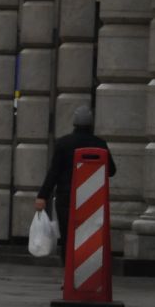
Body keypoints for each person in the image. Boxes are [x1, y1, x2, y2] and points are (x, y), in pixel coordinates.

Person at [36, 104, 115, 254]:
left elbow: (54, 172)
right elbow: (111, 171)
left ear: (74, 123)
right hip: (91, 198)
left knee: (67, 235)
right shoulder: (99, 144)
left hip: (66, 197)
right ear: (91, 124)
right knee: (89, 235)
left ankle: (68, 268)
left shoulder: (63, 143)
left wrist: (42, 196)